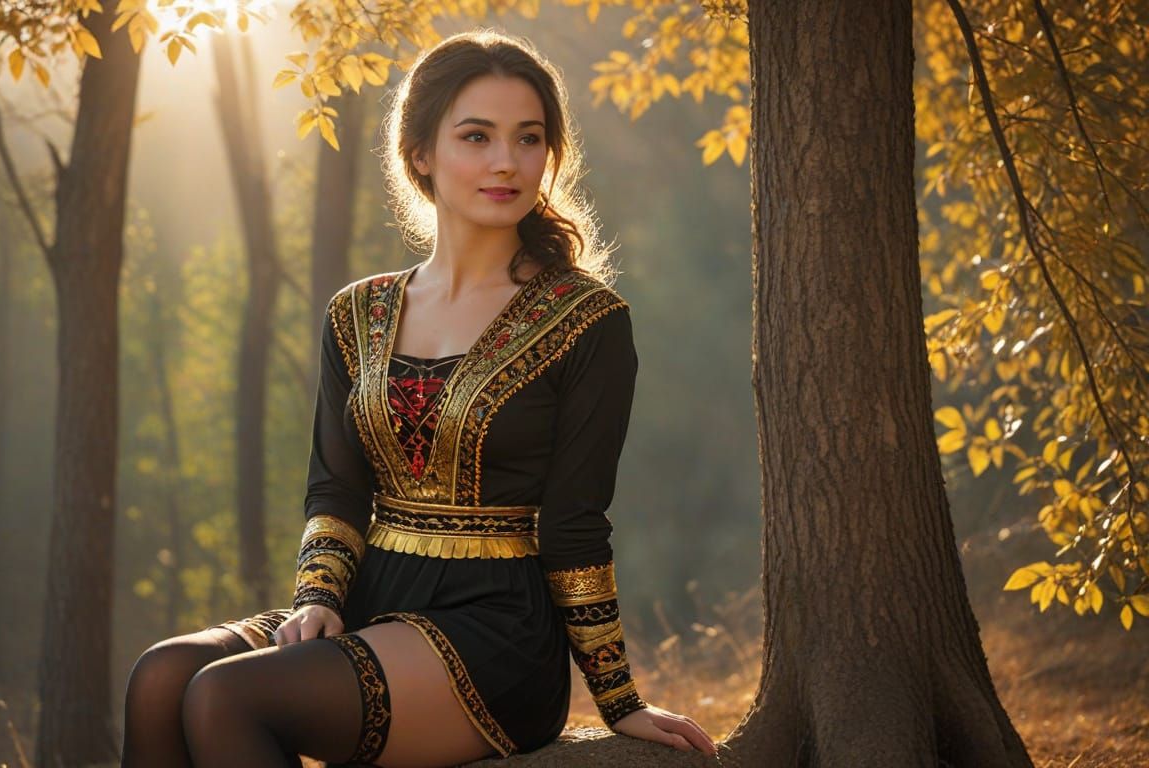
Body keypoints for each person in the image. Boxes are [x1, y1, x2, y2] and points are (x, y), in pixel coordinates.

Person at [121, 27, 718, 768]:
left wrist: (620, 699)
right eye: (477, 136)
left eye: (529, 139)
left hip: (496, 631)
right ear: (420, 155)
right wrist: (318, 599)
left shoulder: (589, 322)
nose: (507, 161)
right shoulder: (356, 314)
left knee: (225, 697)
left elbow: (574, 528)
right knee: (161, 678)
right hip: (373, 593)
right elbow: (336, 491)